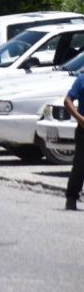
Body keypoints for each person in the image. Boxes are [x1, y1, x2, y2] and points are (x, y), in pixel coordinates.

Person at [62, 74, 84, 210]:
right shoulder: (81, 80)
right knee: (80, 166)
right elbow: (68, 100)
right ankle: (71, 198)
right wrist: (80, 119)